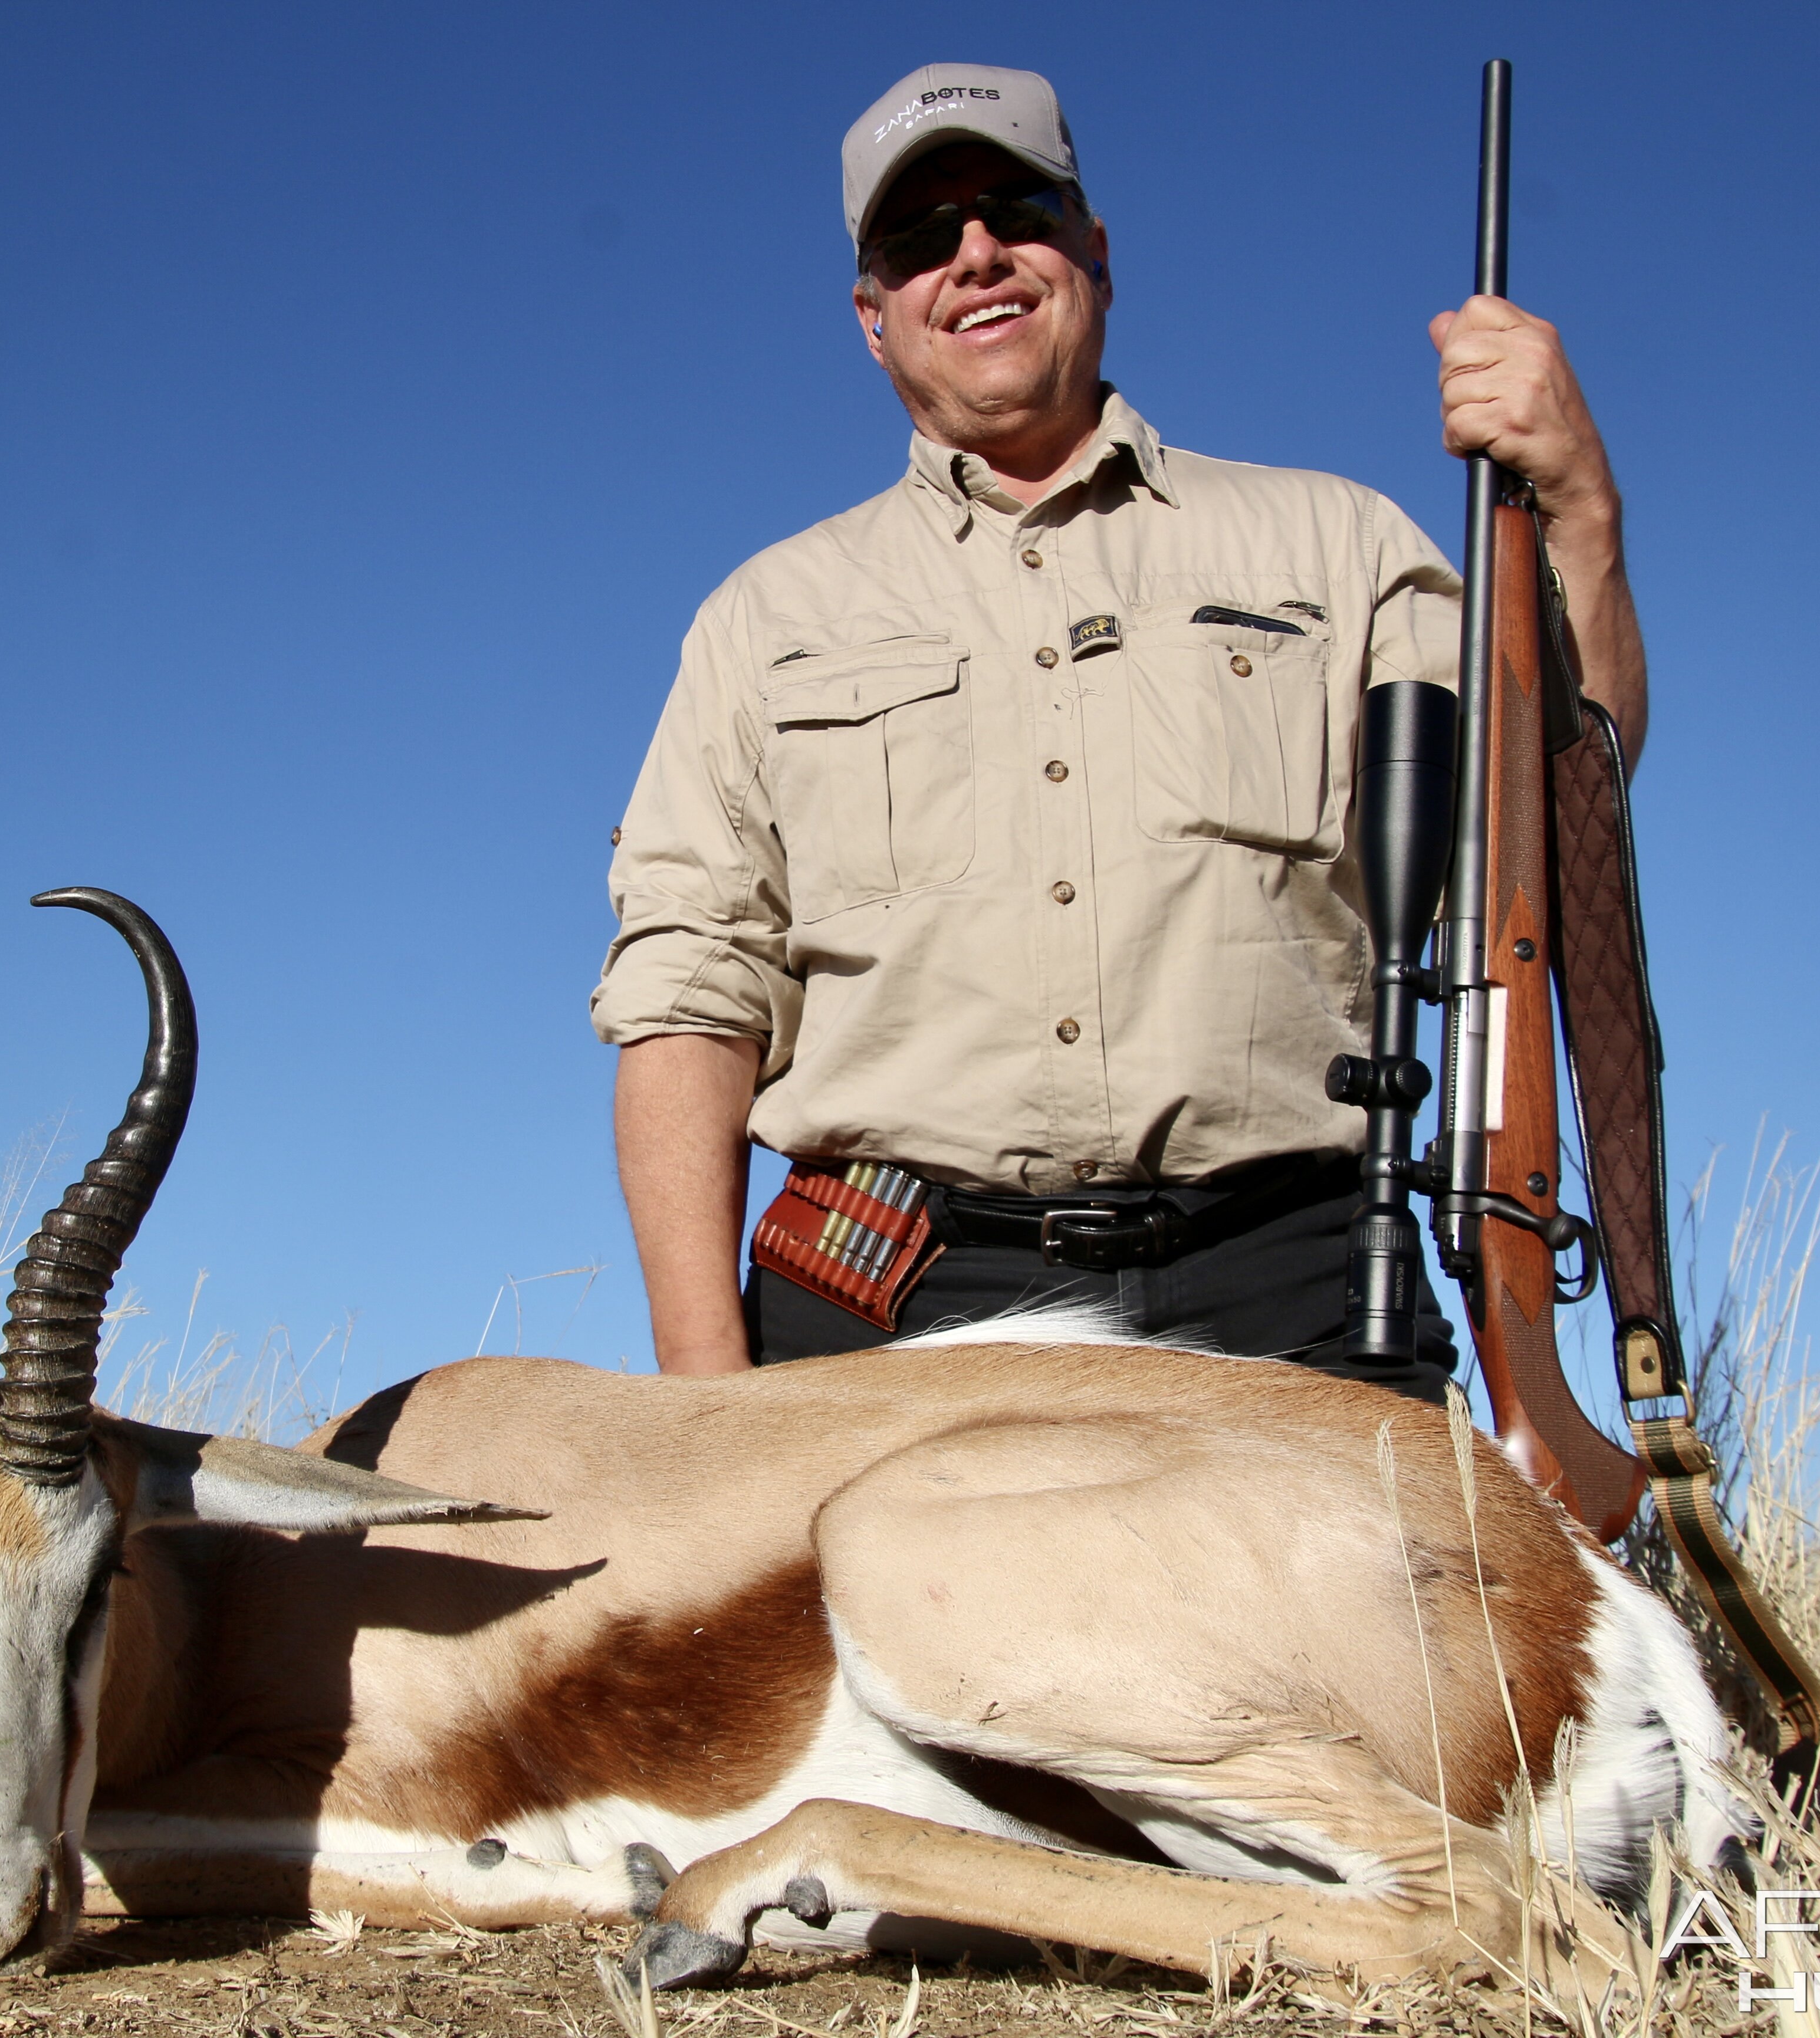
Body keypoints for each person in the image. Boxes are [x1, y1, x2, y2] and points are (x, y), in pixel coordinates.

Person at [591, 64, 1649, 1382]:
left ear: (1093, 252)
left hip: (1295, 1287)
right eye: (920, 237)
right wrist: (705, 1393)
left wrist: (1580, 510)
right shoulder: (763, 618)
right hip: (896, 1306)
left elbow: (1548, 847)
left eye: (1016, 209)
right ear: (874, 317)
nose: (975, 253)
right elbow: (691, 995)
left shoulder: (1340, 544)